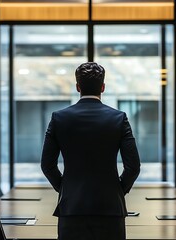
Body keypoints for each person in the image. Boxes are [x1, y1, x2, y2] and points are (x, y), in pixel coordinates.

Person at [41, 62, 140, 240]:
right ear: (103, 87)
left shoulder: (59, 118)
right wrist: (117, 189)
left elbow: (47, 165)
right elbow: (133, 167)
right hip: (111, 209)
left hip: (71, 208)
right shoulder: (119, 118)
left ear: (78, 87)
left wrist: (65, 187)